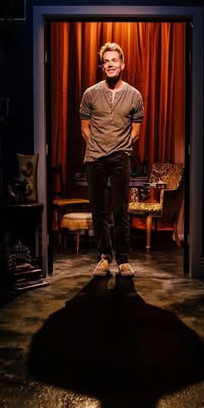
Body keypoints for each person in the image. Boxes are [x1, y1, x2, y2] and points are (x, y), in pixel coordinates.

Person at [79, 42, 144, 277]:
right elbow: (85, 129)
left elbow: (135, 132)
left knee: (120, 210)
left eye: (114, 60)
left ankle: (123, 260)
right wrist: (98, 147)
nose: (110, 65)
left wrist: (119, 148)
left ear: (122, 64)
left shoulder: (134, 95)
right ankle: (104, 258)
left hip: (120, 158)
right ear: (102, 66)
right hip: (95, 158)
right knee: (99, 211)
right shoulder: (90, 93)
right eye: (106, 61)